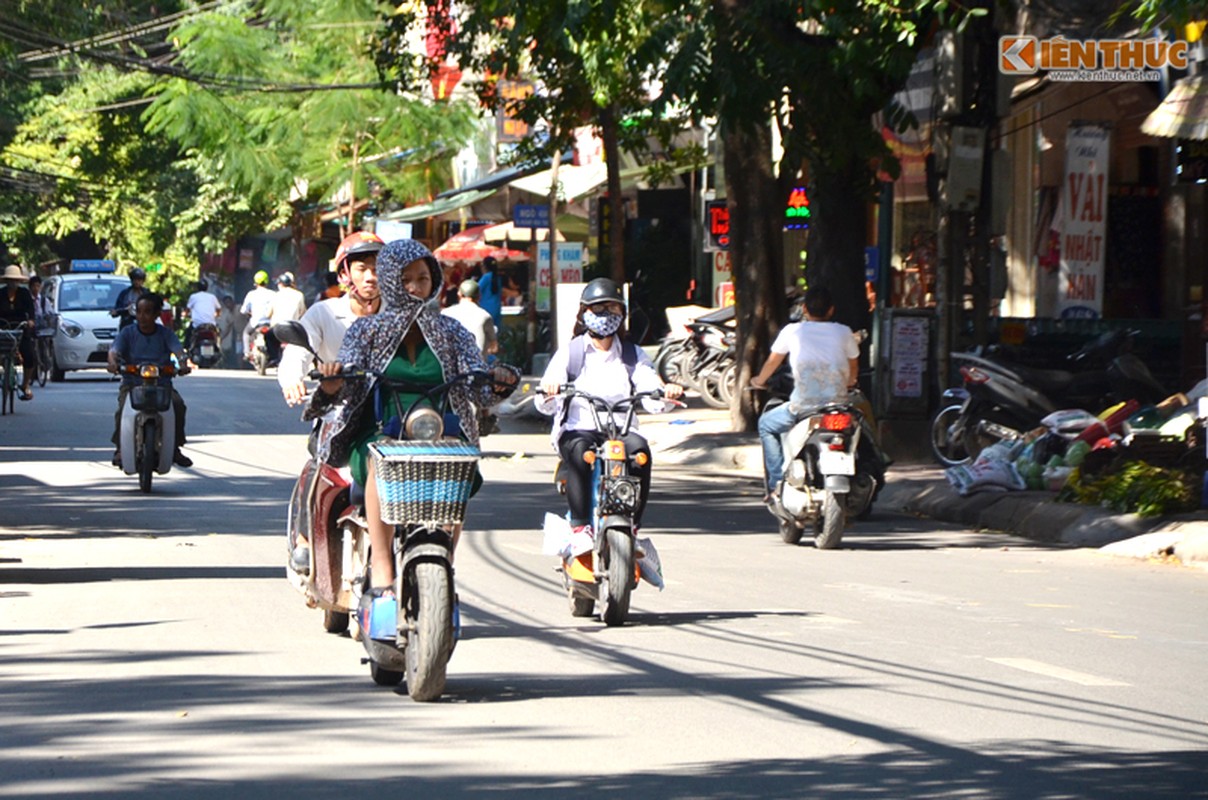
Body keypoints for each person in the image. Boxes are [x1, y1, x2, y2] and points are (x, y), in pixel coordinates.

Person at [307, 239, 518, 610]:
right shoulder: (365, 331)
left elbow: (477, 383)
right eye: (407, 279)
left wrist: (499, 379)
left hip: (442, 432)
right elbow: (346, 380)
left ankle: (443, 562)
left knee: (461, 468)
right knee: (378, 461)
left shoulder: (452, 331)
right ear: (390, 281)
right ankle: (383, 568)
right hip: (378, 429)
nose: (417, 288)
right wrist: (333, 380)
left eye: (424, 278)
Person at [537, 278, 683, 539]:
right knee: (581, 453)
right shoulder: (570, 353)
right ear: (584, 314)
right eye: (599, 309)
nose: (606, 316)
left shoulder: (633, 354)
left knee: (641, 454)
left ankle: (633, 527)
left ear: (623, 315)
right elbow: (544, 404)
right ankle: (580, 528)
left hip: (620, 430)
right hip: (579, 428)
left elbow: (651, 394)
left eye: (613, 309)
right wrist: (550, 390)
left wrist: (666, 393)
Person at [749, 285, 859, 502]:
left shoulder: (792, 331)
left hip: (803, 407)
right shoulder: (844, 331)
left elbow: (773, 361)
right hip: (838, 406)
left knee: (766, 425)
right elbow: (853, 365)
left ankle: (777, 485)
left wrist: (759, 381)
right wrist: (850, 383)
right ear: (831, 310)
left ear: (804, 309)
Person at [278, 231, 385, 407]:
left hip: (391, 409)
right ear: (344, 274)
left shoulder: (398, 314)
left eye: (377, 269)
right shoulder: (324, 312)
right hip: (336, 408)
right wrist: (292, 380)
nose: (370, 277)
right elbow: (296, 353)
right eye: (362, 269)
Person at [107, 292, 192, 468]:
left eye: (147, 312)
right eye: (139, 312)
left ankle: (175, 447)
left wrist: (182, 363)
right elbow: (114, 351)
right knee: (122, 409)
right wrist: (113, 363)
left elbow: (178, 351)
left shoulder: (166, 334)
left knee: (178, 405)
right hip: (132, 384)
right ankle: (120, 449)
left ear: (156, 315)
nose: (142, 316)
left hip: (162, 385)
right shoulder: (128, 333)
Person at [0, 264, 36, 401]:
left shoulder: (24, 294)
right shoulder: (1, 294)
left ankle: (25, 384)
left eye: (15, 280)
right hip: (2, 330)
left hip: (20, 329)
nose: (13, 283)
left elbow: (31, 312)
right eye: (10, 280)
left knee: (29, 355)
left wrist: (31, 321)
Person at [441, 278, 498, 357]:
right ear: (479, 296)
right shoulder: (485, 316)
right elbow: (494, 347)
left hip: (450, 365)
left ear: (459, 294)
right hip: (478, 366)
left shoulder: (445, 314)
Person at [239, 270, 276, 364]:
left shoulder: (251, 294)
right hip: (270, 322)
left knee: (246, 333)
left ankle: (247, 352)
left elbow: (243, 310)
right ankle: (274, 356)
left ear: (255, 282)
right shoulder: (273, 294)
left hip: (255, 322)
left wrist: (248, 312)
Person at [184, 278, 222, 349]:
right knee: (218, 333)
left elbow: (187, 310)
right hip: (211, 325)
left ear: (197, 287)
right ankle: (218, 348)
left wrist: (185, 314)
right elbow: (219, 309)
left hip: (197, 325)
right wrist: (217, 315)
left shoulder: (193, 296)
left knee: (188, 333)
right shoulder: (212, 297)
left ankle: (186, 350)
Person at [477, 255, 502, 328]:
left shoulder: (486, 277)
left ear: (485, 267)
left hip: (485, 308)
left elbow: (477, 289)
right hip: (496, 308)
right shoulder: (498, 277)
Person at [216, 295, 240, 368]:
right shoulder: (228, 313)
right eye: (226, 303)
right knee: (238, 353)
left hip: (244, 333)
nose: (228, 305)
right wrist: (221, 337)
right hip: (237, 335)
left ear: (232, 302)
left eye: (229, 302)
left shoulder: (239, 308)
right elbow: (229, 326)